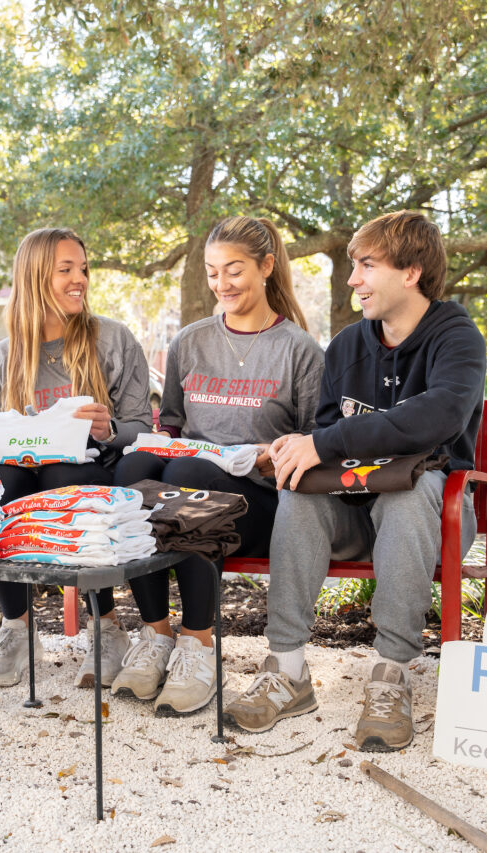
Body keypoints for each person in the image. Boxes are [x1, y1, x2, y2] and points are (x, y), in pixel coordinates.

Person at [223, 210, 486, 750]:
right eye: (353, 266)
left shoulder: (456, 337)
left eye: (367, 265)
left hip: (430, 515)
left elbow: (437, 418)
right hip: (355, 511)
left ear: (410, 271)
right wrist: (296, 452)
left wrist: (326, 442)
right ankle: (288, 669)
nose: (353, 280)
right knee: (299, 492)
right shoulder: (346, 346)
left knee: (409, 493)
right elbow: (325, 431)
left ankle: (390, 674)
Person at [111, 216, 323, 716]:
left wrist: (276, 455)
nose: (222, 284)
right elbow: (174, 430)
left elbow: (317, 445)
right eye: (212, 273)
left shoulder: (300, 351)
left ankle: (199, 644)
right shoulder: (190, 342)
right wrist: (156, 448)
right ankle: (158, 634)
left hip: (261, 500)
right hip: (193, 487)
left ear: (267, 266)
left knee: (187, 481)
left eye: (234, 271)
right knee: (133, 468)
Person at [0, 227, 153, 689]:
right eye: (65, 270)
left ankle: (106, 628)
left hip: (94, 477)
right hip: (26, 482)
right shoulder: (2, 358)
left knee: (63, 472)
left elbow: (144, 431)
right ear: (34, 278)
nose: (80, 279)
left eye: (83, 269)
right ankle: (17, 629)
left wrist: (106, 429)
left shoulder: (112, 339)